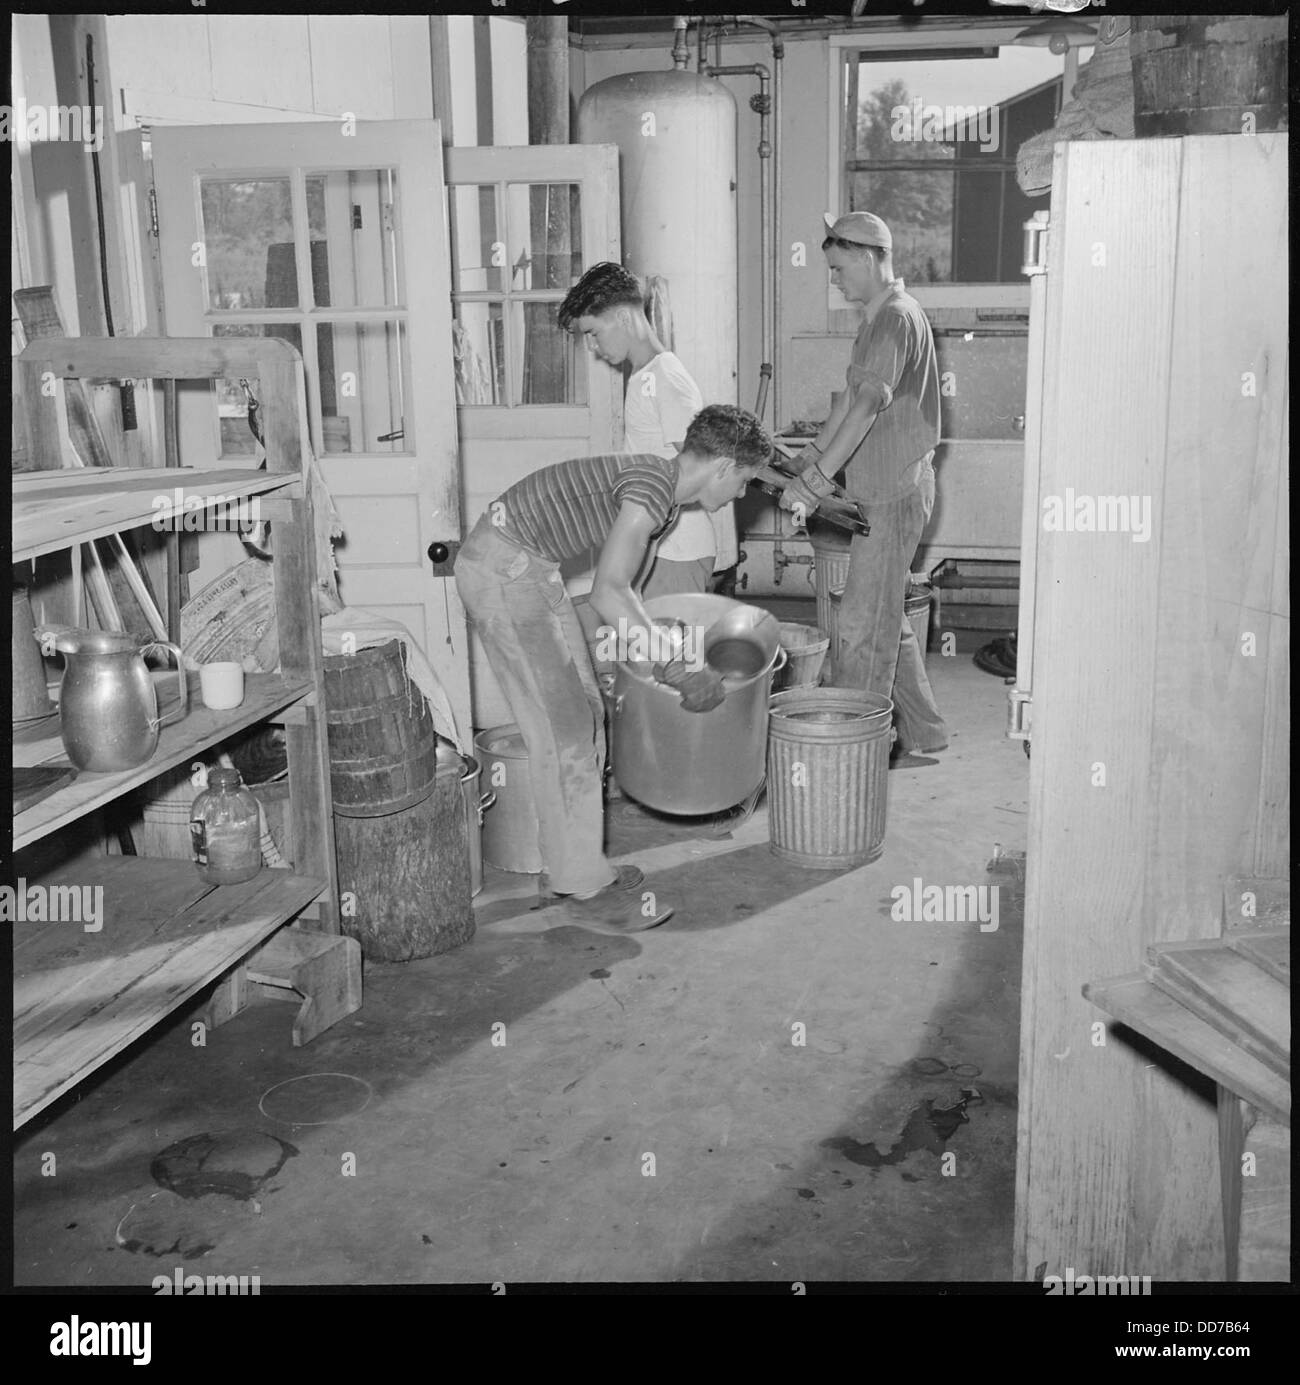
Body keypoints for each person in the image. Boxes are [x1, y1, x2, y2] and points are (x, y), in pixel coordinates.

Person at [455, 405, 772, 933]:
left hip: (531, 570)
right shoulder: (651, 490)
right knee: (564, 735)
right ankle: (583, 886)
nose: (741, 495)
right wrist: (675, 669)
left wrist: (645, 651)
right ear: (721, 467)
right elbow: (609, 592)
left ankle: (570, 864)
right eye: (743, 481)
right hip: (502, 570)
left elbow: (624, 597)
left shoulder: (666, 495)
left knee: (585, 717)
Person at [780, 212, 948, 758]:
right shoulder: (877, 319)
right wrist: (805, 462)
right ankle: (926, 733)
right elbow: (848, 403)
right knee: (885, 617)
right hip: (882, 492)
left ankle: (859, 752)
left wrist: (818, 481)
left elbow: (870, 406)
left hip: (894, 494)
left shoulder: (897, 319)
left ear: (871, 256)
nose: (833, 279)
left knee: (861, 629)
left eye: (838, 267)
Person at [558, 262, 736, 603]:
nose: (593, 347)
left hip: (676, 552)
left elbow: (703, 471)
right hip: (659, 545)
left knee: (670, 655)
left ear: (624, 318)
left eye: (593, 333)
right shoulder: (645, 377)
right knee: (645, 651)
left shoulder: (666, 378)